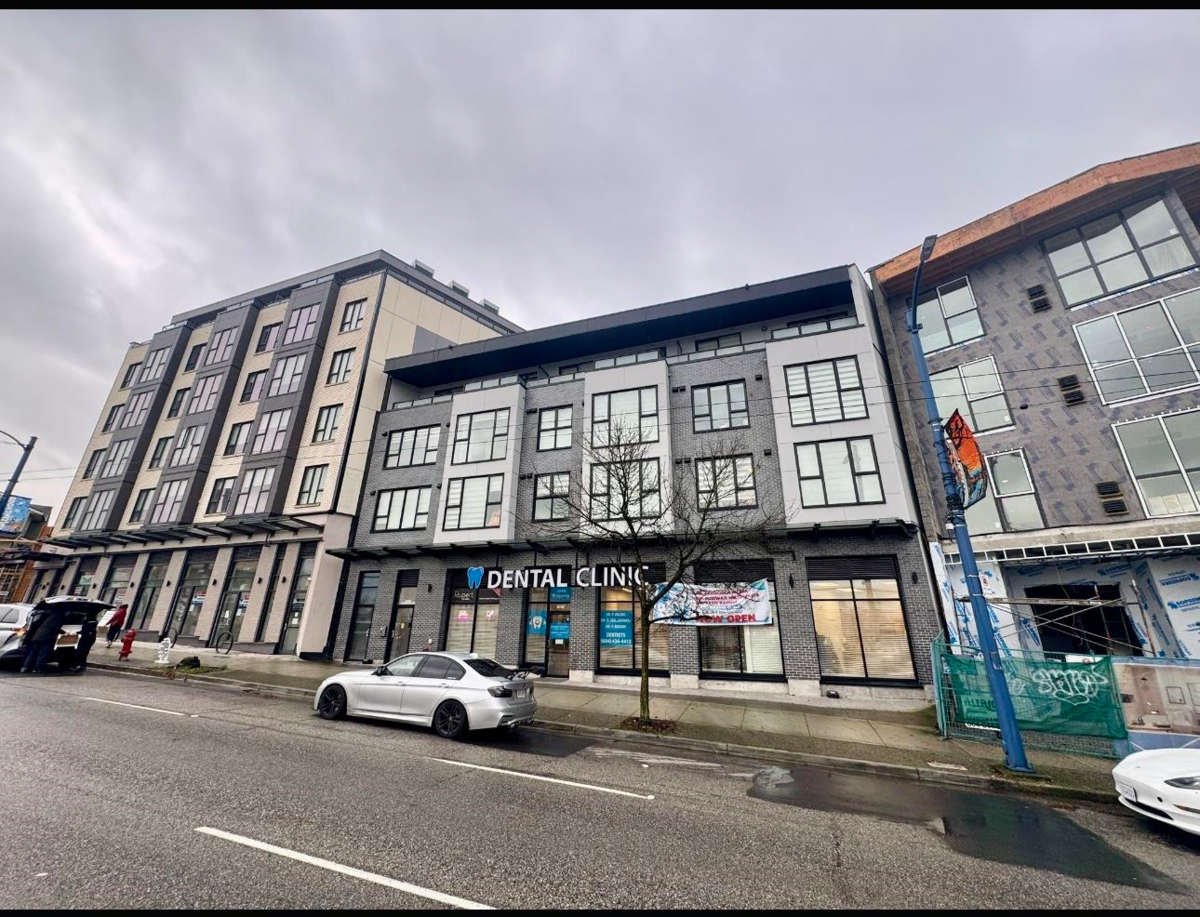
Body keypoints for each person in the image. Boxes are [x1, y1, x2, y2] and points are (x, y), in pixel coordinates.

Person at [20, 606, 67, 674]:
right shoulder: (58, 617)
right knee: (42, 653)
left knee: (33, 653)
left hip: (37, 636)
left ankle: (25, 667)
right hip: (46, 637)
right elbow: (55, 627)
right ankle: (37, 668)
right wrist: (65, 632)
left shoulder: (50, 616)